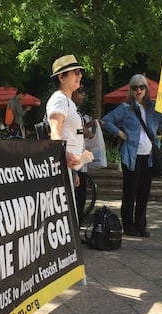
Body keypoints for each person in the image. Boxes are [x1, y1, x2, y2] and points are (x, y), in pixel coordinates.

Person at [102, 74, 162, 237]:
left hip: (148, 157)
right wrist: (120, 133)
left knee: (144, 193)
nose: (138, 90)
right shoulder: (125, 108)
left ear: (146, 89)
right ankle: (128, 226)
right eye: (135, 87)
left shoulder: (153, 107)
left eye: (142, 87)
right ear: (131, 90)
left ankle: (141, 225)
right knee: (130, 193)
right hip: (131, 157)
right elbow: (106, 120)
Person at [46, 55, 93, 197]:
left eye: (80, 72)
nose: (80, 75)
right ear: (61, 77)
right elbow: (55, 132)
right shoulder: (59, 99)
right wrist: (64, 155)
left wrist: (74, 170)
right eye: (76, 72)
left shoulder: (67, 101)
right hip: (63, 167)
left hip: (69, 167)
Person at [71, 85, 97, 225]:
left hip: (80, 160)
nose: (84, 94)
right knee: (77, 195)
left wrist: (87, 126)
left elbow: (78, 129)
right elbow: (75, 131)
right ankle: (75, 223)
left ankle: (78, 221)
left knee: (81, 195)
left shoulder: (76, 111)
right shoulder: (67, 109)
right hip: (73, 160)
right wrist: (86, 132)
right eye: (80, 91)